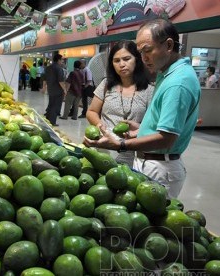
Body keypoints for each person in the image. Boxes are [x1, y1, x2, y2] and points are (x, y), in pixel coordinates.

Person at [84, 19, 201, 199]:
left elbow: (166, 138)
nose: (144, 58)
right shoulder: (167, 74)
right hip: (149, 163)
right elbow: (160, 125)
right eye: (140, 52)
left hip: (159, 167)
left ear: (169, 45)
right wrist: (141, 130)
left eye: (147, 50)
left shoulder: (177, 83)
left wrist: (121, 144)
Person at [86, 40, 154, 166]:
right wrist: (101, 126)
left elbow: (152, 123)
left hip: (133, 151)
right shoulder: (106, 85)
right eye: (116, 61)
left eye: (127, 59)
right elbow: (91, 111)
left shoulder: (149, 90)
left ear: (137, 59)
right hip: (105, 148)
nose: (122, 64)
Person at [42, 54, 67, 126]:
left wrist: (44, 87)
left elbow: (44, 78)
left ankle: (47, 120)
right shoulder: (59, 68)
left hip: (50, 90)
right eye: (62, 60)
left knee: (50, 105)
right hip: (58, 90)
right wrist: (64, 89)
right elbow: (61, 81)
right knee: (55, 106)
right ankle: (52, 122)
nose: (62, 61)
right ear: (58, 60)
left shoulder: (48, 68)